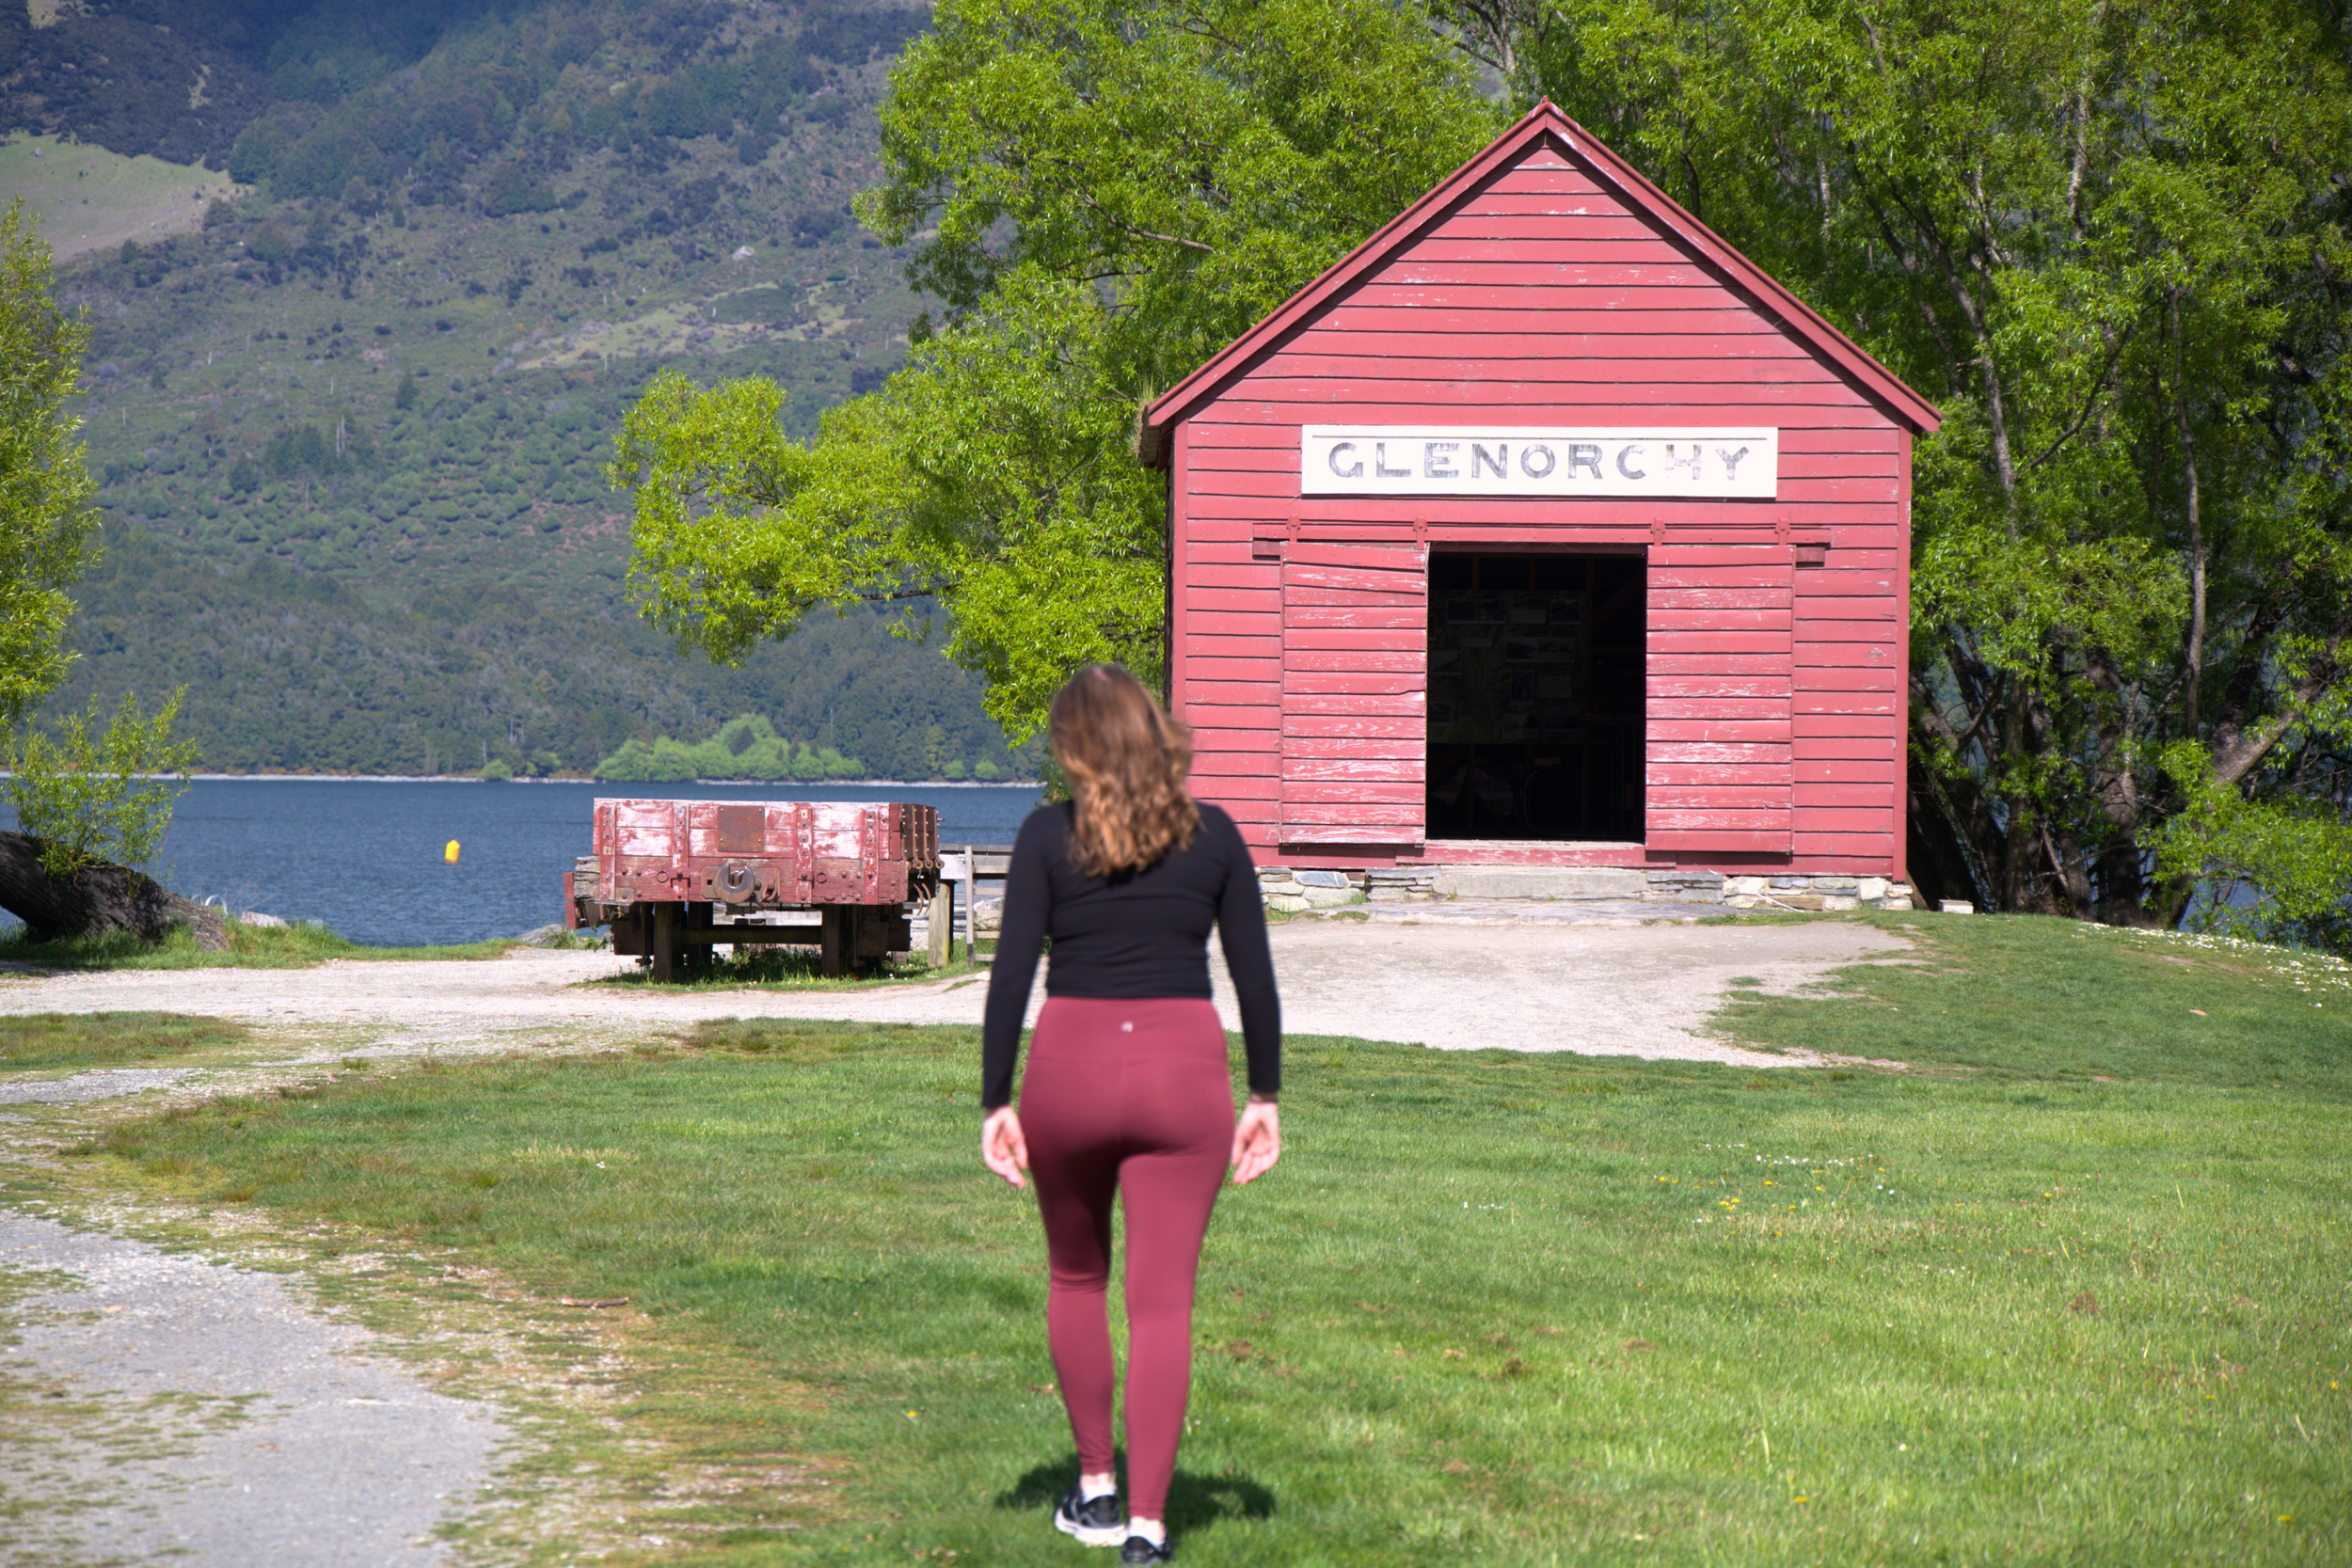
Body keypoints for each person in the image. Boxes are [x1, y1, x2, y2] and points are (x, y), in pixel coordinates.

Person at [981, 665, 1282, 1564]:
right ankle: (1148, 1528)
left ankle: (1097, 1486)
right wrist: (1264, 1094)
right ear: (1156, 734)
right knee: (1163, 1306)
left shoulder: (1043, 836)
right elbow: (1256, 980)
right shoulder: (1217, 836)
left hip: (1069, 1066)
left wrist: (995, 1098)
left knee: (1077, 1278)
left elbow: (1008, 979)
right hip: (1181, 1072)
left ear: (1075, 746)